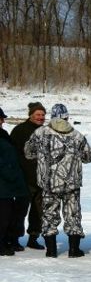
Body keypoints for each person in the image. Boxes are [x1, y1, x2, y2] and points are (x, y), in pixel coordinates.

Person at [24, 103, 91, 258]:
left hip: (49, 184)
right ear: (67, 117)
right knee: (73, 215)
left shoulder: (40, 133)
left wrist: (42, 157)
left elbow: (28, 153)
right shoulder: (77, 135)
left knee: (49, 215)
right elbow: (89, 157)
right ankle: (74, 250)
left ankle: (51, 250)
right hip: (72, 184)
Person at [8, 101, 44, 250]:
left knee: (38, 211)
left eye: (43, 115)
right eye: (37, 114)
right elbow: (12, 153)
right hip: (24, 178)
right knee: (20, 211)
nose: (40, 117)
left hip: (41, 179)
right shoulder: (19, 130)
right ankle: (14, 238)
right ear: (30, 115)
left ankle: (33, 238)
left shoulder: (46, 131)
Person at [0, 109, 32, 257]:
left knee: (18, 211)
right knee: (3, 214)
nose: (3, 121)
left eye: (2, 119)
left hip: (15, 180)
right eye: (0, 119)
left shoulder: (4, 135)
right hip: (3, 181)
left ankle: (12, 239)